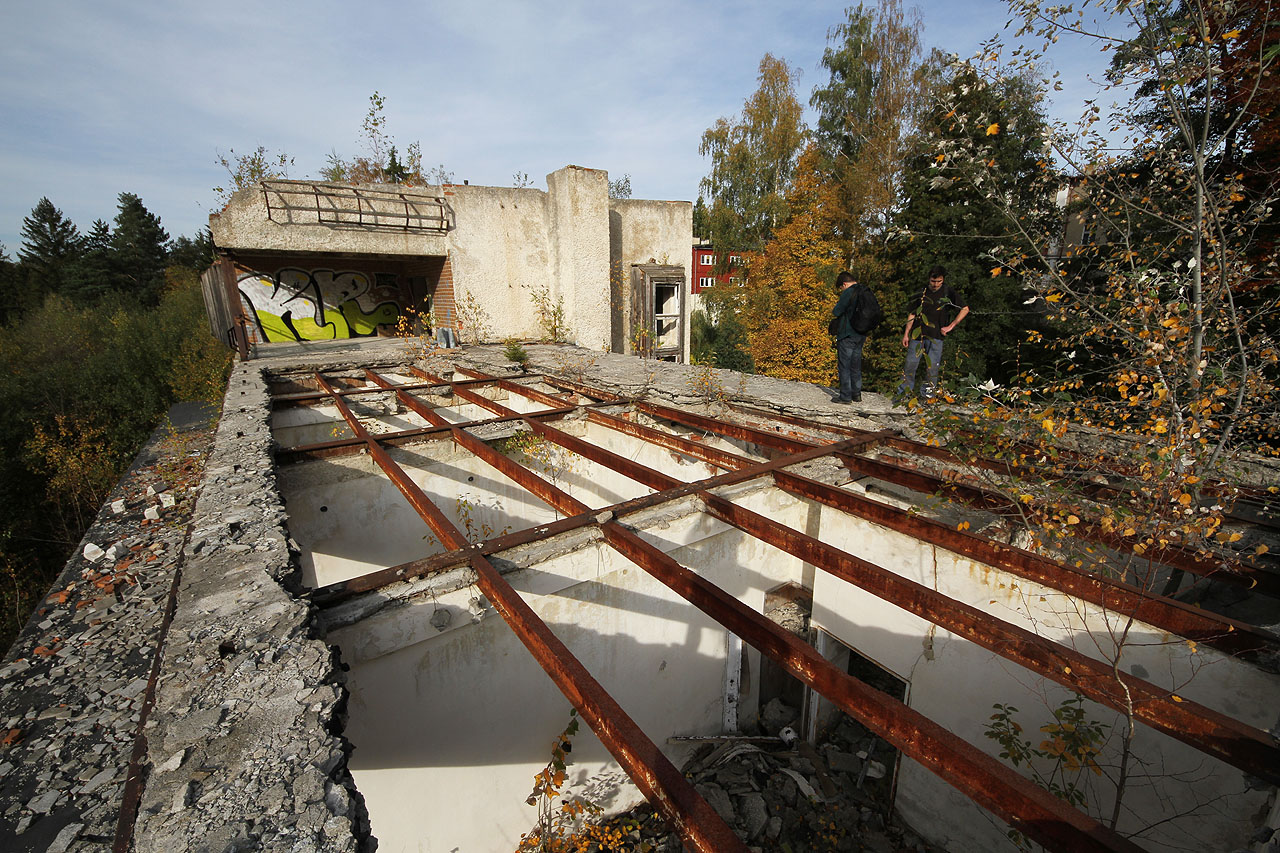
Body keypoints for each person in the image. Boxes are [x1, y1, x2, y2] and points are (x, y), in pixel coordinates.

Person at [898, 265, 968, 398]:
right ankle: (903, 394)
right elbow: (912, 314)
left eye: (939, 281)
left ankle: (928, 397)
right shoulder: (921, 293)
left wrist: (951, 326)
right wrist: (906, 333)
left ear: (943, 280)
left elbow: (965, 309)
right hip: (918, 335)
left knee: (932, 368)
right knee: (910, 366)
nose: (935, 284)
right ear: (929, 279)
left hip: (936, 336)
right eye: (933, 281)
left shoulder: (948, 293)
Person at [830, 271, 866, 403]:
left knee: (844, 365)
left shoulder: (849, 292)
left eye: (841, 288)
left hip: (847, 333)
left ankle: (845, 396)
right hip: (861, 334)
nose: (841, 290)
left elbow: (837, 311)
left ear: (844, 284)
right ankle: (856, 394)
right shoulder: (864, 291)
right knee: (856, 364)